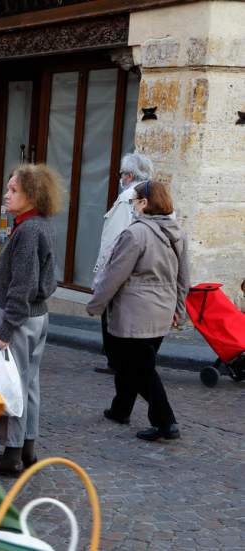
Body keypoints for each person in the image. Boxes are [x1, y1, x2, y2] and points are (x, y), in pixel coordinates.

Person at [87, 181, 189, 442]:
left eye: (135, 201)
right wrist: (178, 309)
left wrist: (96, 304)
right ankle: (121, 408)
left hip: (136, 311)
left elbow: (114, 276)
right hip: (161, 309)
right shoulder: (178, 232)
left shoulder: (135, 234)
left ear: (144, 203)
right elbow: (183, 278)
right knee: (132, 363)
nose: (132, 206)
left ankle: (166, 421)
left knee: (139, 368)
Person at [0, 164, 61, 476]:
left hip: (20, 317)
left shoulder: (29, 230)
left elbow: (23, 284)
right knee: (29, 382)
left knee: (12, 383)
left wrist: (4, 329)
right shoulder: (39, 225)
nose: (6, 194)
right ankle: (27, 448)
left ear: (32, 195)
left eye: (13, 190)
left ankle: (12, 453)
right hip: (37, 316)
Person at [93, 152, 154, 374]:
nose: (121, 178)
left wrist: (102, 271)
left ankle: (115, 359)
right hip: (140, 266)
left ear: (128, 175)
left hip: (120, 265)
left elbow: (114, 237)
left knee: (112, 312)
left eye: (122, 174)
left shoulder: (128, 197)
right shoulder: (152, 195)